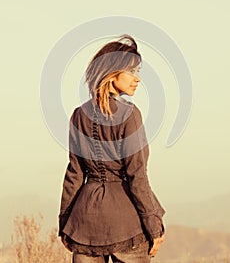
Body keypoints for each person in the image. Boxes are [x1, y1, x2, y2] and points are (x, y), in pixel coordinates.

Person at [58, 35, 166, 263]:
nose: (137, 79)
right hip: (126, 223)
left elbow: (74, 174)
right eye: (132, 72)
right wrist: (153, 226)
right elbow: (137, 176)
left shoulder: (78, 116)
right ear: (111, 73)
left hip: (85, 224)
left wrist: (65, 222)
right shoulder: (130, 115)